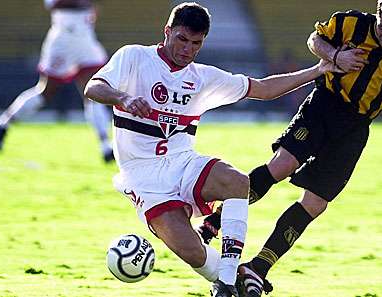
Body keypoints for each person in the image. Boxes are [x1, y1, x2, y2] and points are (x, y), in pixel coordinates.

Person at [83, 3, 339, 297]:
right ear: (167, 32)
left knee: (238, 181)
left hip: (182, 163)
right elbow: (93, 87)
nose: (187, 49)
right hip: (142, 175)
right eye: (181, 39)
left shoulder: (202, 77)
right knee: (193, 253)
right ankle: (238, 277)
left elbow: (263, 89)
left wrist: (318, 70)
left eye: (196, 43)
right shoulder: (134, 57)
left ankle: (227, 282)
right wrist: (124, 98)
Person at [197, 0, 382, 296]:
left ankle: (257, 267)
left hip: (354, 128)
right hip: (323, 104)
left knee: (315, 203)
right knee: (281, 165)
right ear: (378, 13)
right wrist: (335, 55)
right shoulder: (350, 23)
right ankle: (215, 221)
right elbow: (315, 40)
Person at [0, 0, 114, 162]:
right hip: (65, 37)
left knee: (93, 90)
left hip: (85, 37)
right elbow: (53, 3)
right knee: (46, 91)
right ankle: (3, 123)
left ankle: (105, 146)